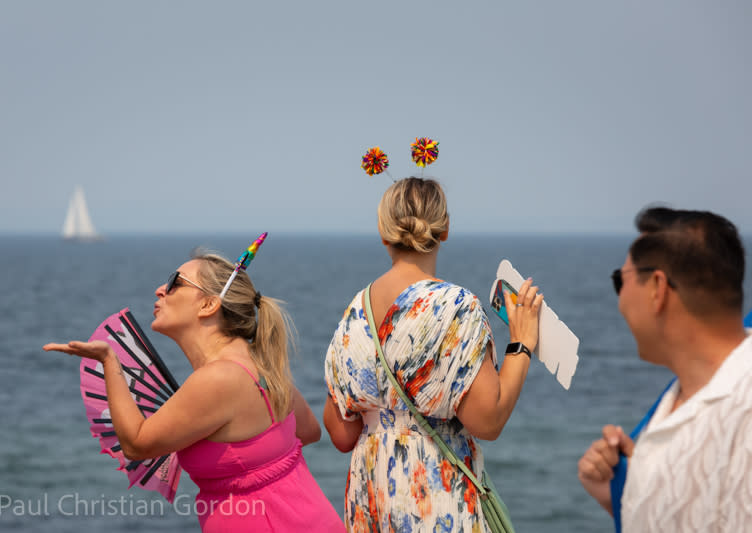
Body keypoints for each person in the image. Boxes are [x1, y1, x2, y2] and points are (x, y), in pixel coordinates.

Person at [45, 250, 345, 532]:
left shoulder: (217, 379)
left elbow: (136, 444)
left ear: (208, 305)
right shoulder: (259, 364)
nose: (160, 289)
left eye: (175, 283)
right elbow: (307, 431)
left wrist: (110, 361)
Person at [322, 177, 543, 531]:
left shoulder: (354, 312)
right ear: (445, 229)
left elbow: (341, 434)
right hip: (435, 500)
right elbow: (488, 421)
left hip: (371, 499)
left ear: (383, 232)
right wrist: (522, 343)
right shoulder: (455, 308)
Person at [577, 206, 752, 532]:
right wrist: (627, 486)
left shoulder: (743, 412)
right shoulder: (686, 396)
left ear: (658, 289)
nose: (619, 300)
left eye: (621, 280)